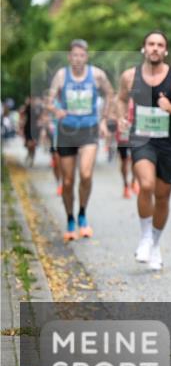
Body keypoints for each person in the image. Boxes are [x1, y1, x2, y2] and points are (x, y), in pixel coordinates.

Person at [118, 30, 171, 272]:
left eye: (160, 45)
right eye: (151, 44)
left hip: (168, 144)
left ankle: (155, 243)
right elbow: (121, 99)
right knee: (146, 185)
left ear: (165, 50)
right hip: (141, 139)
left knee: (162, 197)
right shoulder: (130, 76)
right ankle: (145, 237)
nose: (155, 48)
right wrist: (121, 117)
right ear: (144, 48)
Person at [45, 39, 116, 242]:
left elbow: (110, 94)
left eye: (81, 55)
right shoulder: (61, 75)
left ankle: (82, 214)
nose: (77, 59)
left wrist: (104, 120)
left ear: (86, 57)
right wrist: (56, 110)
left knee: (85, 175)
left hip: (89, 130)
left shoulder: (97, 75)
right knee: (67, 181)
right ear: (69, 57)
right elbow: (49, 101)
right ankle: (70, 219)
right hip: (67, 130)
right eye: (74, 55)